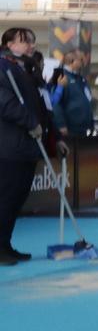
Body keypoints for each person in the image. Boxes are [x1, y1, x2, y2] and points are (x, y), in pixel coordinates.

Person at [1, 28, 42, 265]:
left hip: (26, 146)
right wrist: (30, 122)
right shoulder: (3, 68)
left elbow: (39, 105)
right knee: (5, 198)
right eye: (24, 42)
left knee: (16, 199)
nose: (31, 46)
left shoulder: (26, 69)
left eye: (32, 42)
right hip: (8, 147)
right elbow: (6, 103)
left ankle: (5, 244)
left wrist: (50, 135)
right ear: (8, 44)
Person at [51, 50, 95, 136]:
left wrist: (91, 124)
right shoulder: (61, 76)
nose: (84, 62)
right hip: (70, 128)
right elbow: (56, 103)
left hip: (83, 128)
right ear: (72, 61)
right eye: (81, 60)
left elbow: (87, 101)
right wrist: (61, 125)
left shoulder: (81, 79)